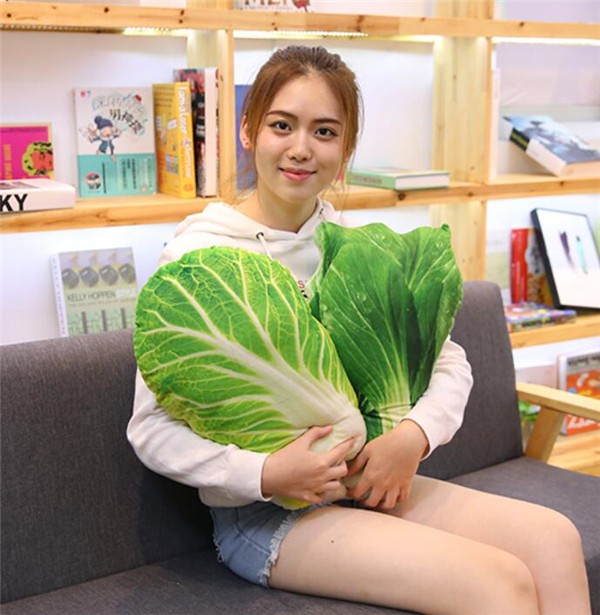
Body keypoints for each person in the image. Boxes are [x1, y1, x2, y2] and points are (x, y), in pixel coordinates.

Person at [128, 45, 591, 615]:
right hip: (265, 517)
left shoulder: (351, 245)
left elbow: (448, 361)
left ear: (345, 150)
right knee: (499, 583)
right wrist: (268, 472)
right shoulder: (197, 260)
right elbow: (151, 428)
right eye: (282, 125)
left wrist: (413, 436)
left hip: (364, 483)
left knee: (554, 540)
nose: (301, 148)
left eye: (325, 131)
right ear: (248, 132)